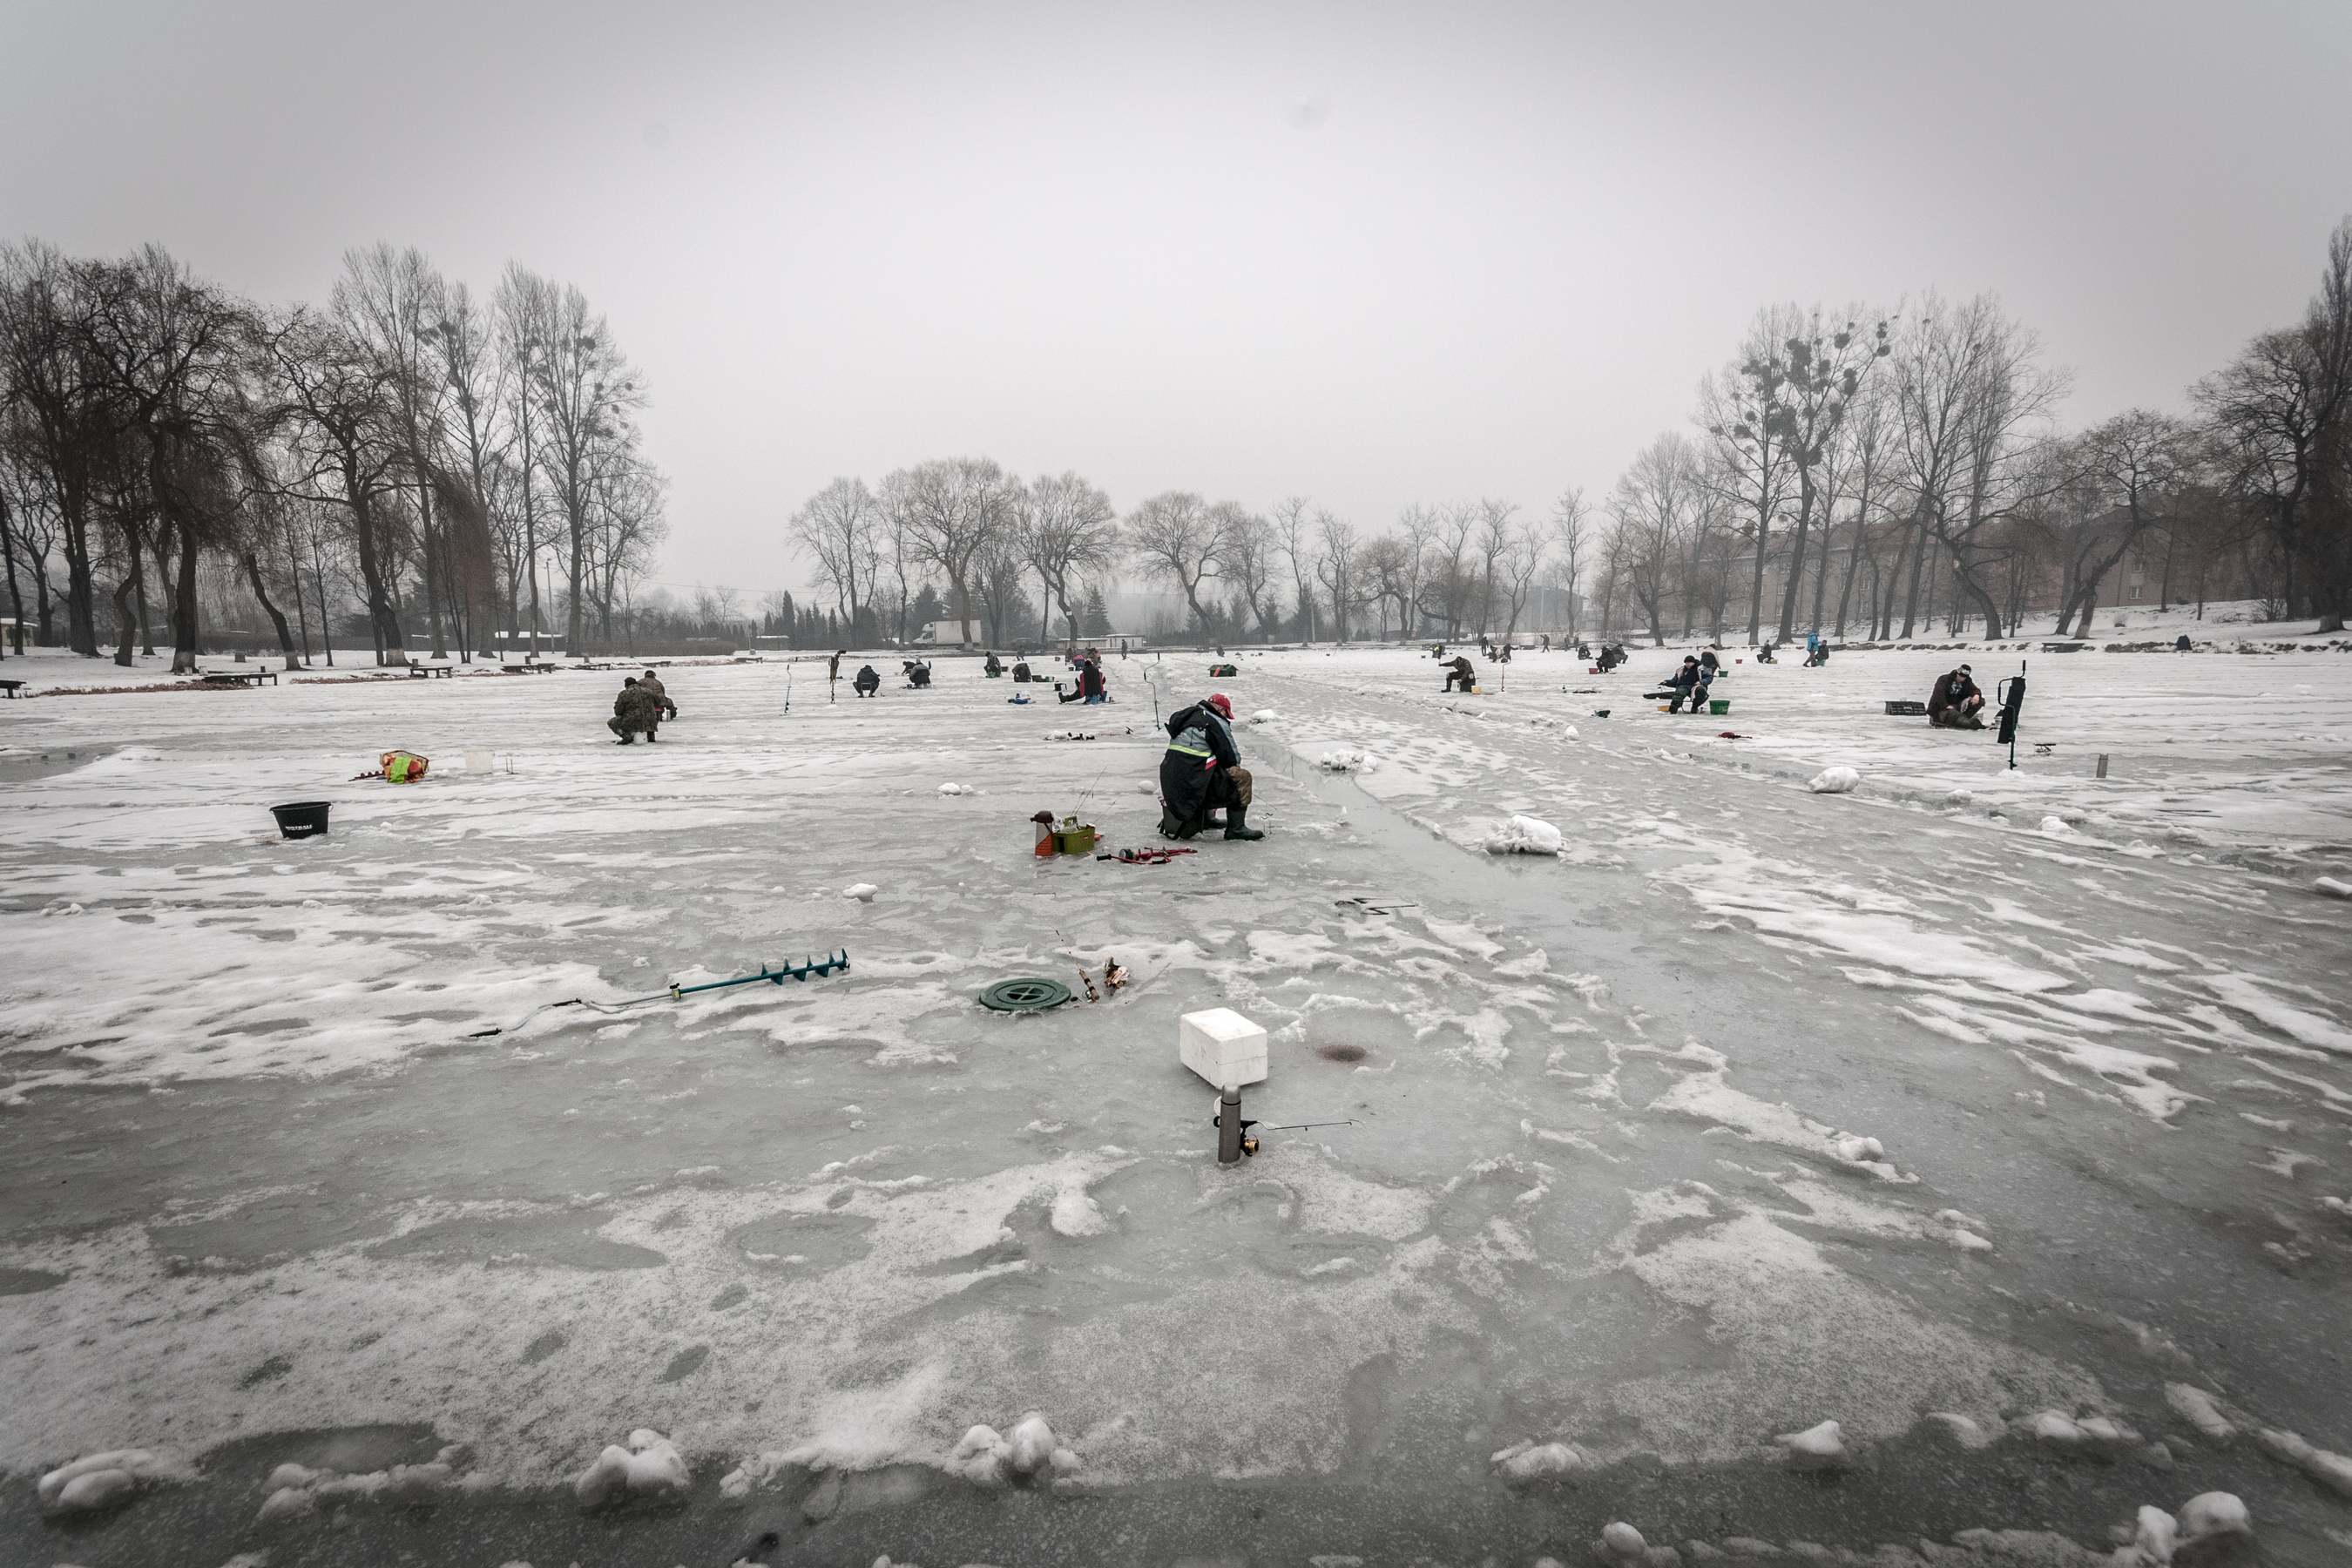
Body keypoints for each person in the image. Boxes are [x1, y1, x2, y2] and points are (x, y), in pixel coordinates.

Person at [1159, 693, 1262, 841]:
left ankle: (1207, 820)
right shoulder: (1215, 721)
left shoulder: (1188, 717)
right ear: (1221, 710)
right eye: (1226, 714)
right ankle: (1236, 829)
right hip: (1192, 781)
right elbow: (1230, 758)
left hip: (1172, 779)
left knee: (1207, 768)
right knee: (1241, 776)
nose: (1225, 717)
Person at [1928, 664, 1986, 728]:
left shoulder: (1967, 681)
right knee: (1954, 714)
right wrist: (1946, 706)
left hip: (1957, 707)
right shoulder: (1944, 679)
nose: (1962, 679)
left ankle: (1965, 719)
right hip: (1942, 709)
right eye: (1960, 676)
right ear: (1957, 673)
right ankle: (1966, 722)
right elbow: (1938, 693)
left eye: (1964, 677)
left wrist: (1976, 695)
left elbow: (1975, 689)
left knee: (1981, 701)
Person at [608, 677, 660, 743]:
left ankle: (626, 736)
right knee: (649, 718)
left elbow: (618, 711)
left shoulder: (624, 693)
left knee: (612, 722)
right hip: (651, 720)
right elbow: (658, 703)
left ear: (626, 685)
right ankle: (651, 737)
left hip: (633, 720)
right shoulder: (649, 691)